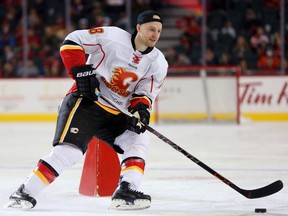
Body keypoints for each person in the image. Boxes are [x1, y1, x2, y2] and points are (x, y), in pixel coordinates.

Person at [5, 10, 168, 210]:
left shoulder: (159, 62)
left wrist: (141, 111)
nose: (155, 34)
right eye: (151, 29)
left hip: (116, 113)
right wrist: (82, 73)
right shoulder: (113, 37)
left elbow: (145, 93)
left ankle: (126, 190)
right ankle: (24, 192)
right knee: (69, 152)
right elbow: (72, 41)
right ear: (138, 28)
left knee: (138, 140)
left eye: (159, 31)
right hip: (85, 103)